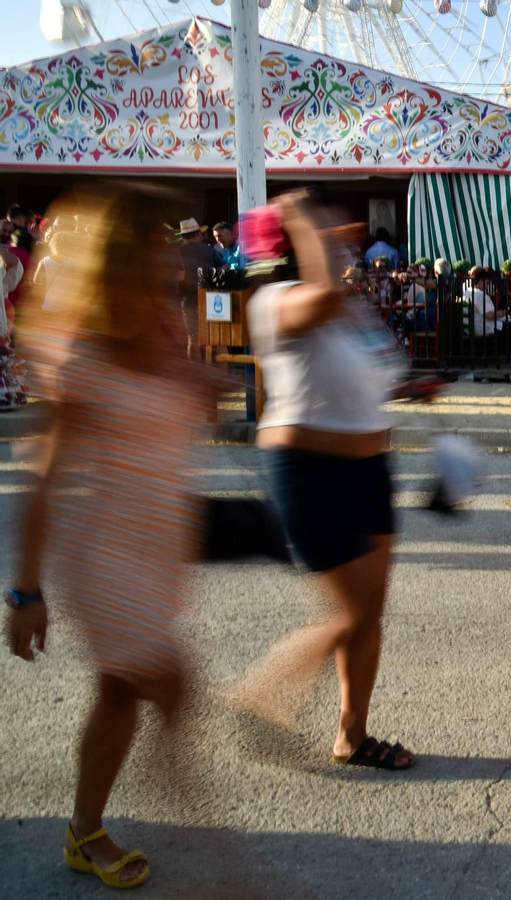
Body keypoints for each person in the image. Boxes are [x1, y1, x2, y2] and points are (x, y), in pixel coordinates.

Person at [6, 182, 213, 889]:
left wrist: (201, 387)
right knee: (164, 679)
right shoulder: (83, 355)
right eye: (157, 250)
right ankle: (188, 808)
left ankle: (85, 829)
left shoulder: (163, 332)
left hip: (159, 542)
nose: (173, 264)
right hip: (106, 552)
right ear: (120, 263)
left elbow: (184, 408)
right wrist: (25, 592)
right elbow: (42, 482)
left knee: (121, 692)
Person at [228, 191, 415, 771]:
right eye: (326, 236)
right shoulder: (275, 301)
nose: (342, 244)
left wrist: (406, 386)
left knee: (369, 616)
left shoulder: (346, 308)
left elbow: (374, 371)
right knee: (347, 616)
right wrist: (305, 220)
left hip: (369, 471)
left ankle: (352, 736)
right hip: (309, 473)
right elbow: (325, 295)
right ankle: (261, 696)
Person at [462, 266, 505, 338]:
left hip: (471, 328)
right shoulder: (479, 294)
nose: (487, 286)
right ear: (481, 282)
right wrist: (500, 313)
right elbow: (490, 316)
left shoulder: (467, 292)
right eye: (487, 283)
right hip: (483, 327)